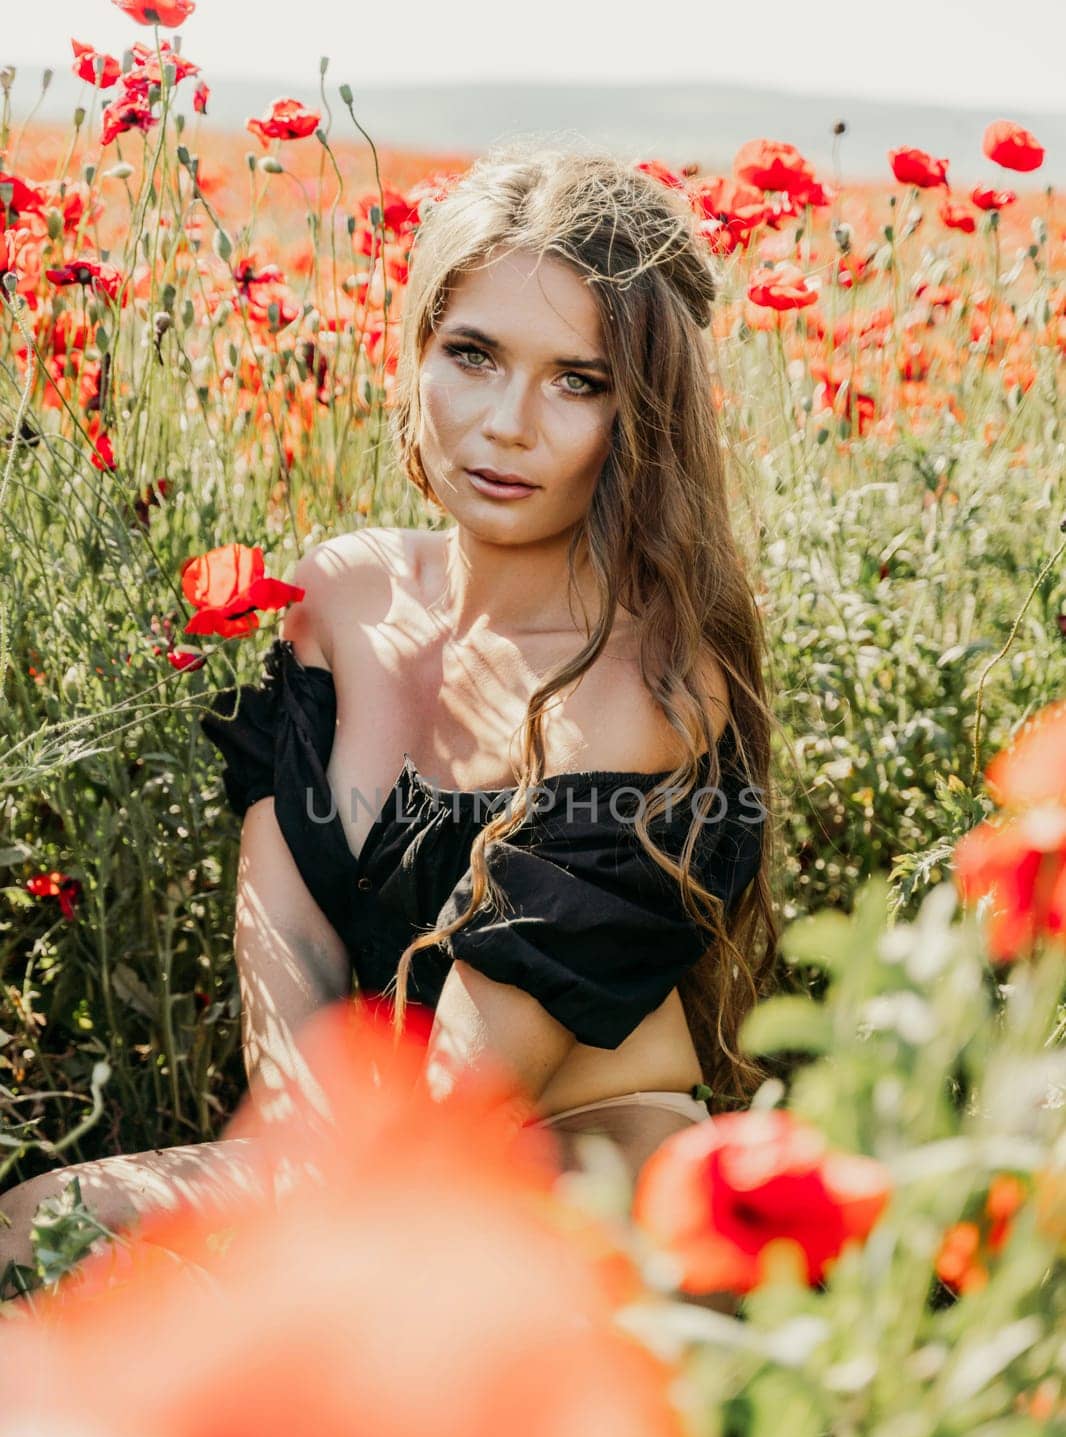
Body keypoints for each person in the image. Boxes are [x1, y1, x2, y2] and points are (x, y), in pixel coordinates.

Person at [0, 141, 777, 1294]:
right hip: (357, 1147)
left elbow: (463, 1090)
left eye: (579, 379)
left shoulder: (646, 683)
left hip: (582, 1179)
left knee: (130, 1260)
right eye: (473, 355)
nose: (507, 423)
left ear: (640, 415)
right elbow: (291, 956)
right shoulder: (343, 599)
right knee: (59, 1238)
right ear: (418, 353)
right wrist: (275, 1177)